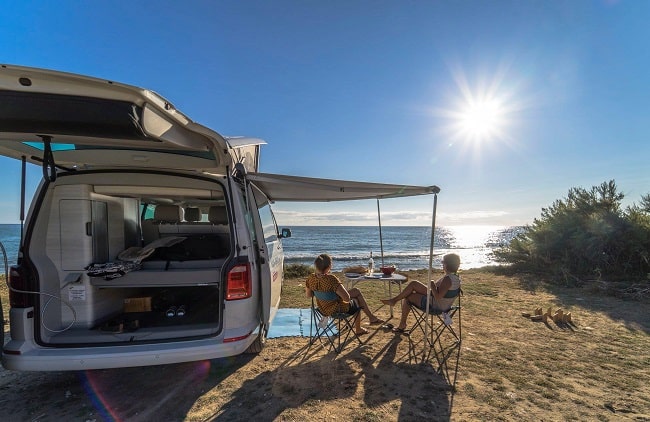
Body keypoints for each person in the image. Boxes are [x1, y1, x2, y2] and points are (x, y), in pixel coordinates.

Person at [381, 253, 462, 334]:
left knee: (409, 295)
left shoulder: (447, 279)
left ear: (447, 264)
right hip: (445, 306)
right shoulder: (456, 278)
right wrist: (431, 287)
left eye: (443, 262)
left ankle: (401, 321)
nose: (442, 264)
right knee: (413, 285)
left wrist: (433, 285)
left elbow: (438, 296)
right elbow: (441, 292)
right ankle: (394, 302)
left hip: (435, 306)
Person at [305, 253, 384, 335]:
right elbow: (346, 298)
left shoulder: (311, 278)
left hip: (322, 309)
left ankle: (371, 318)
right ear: (329, 266)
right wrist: (337, 294)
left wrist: (326, 294)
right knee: (356, 300)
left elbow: (309, 295)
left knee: (356, 292)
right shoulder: (331, 279)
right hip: (336, 310)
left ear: (316, 266)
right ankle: (360, 327)